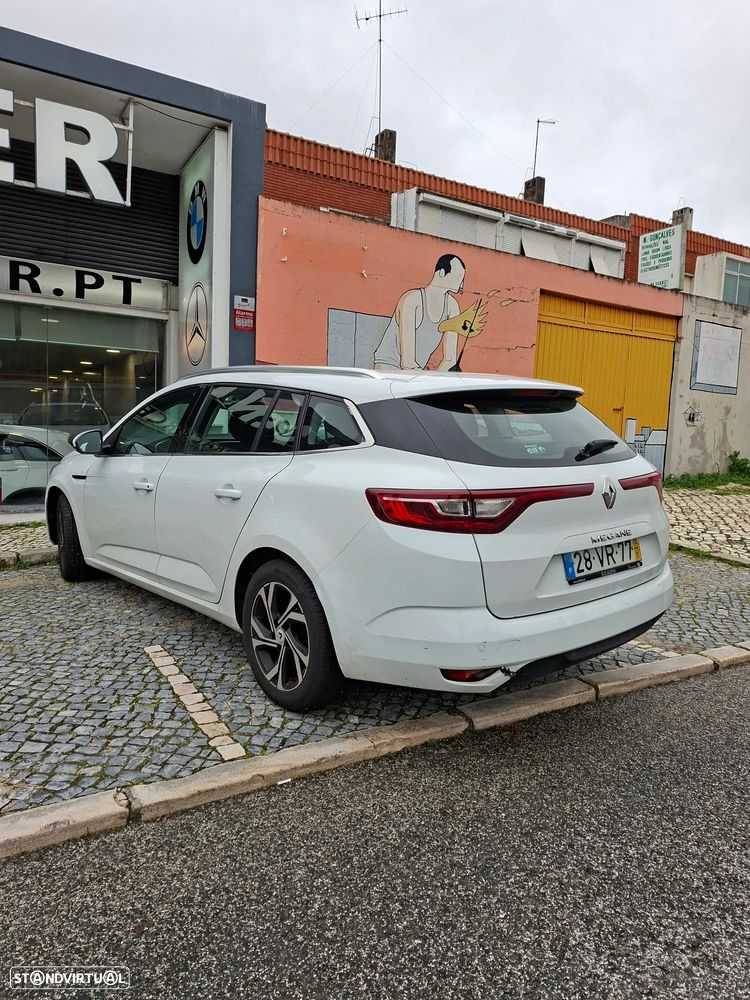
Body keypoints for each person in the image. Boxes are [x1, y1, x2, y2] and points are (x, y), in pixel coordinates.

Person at [373, 254, 466, 371]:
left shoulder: (452, 307)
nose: (462, 285)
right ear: (442, 272)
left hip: (416, 372)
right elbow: (407, 362)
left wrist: (434, 382)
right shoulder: (412, 300)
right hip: (388, 366)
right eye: (459, 277)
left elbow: (449, 360)